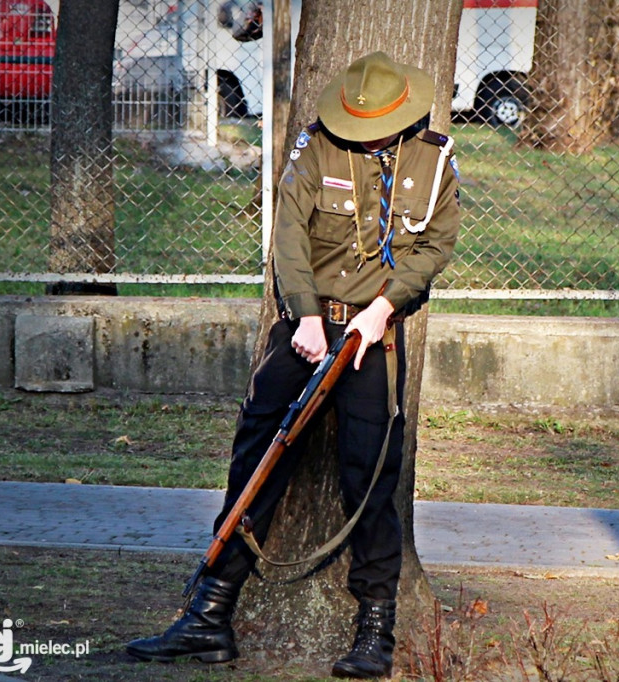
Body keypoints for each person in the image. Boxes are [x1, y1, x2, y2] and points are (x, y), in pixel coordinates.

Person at [125, 51, 460, 679]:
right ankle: (208, 615)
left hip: (374, 336)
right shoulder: (315, 147)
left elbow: (435, 247)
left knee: (371, 475)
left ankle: (375, 627)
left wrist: (384, 309)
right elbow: (289, 236)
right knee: (257, 458)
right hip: (306, 326)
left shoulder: (434, 157)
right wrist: (305, 314)